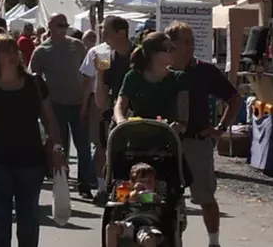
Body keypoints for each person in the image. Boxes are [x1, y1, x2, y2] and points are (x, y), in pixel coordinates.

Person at [0, 34, 66, 247]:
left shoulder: (35, 84)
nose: (12, 55)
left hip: (31, 160)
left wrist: (56, 148)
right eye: (6, 51)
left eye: (14, 50)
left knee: (28, 218)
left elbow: (50, 120)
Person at [166, 21, 243, 247]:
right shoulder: (162, 70)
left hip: (197, 142)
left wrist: (221, 128)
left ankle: (214, 242)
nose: (190, 46)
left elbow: (235, 99)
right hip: (167, 141)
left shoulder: (204, 70)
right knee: (166, 196)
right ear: (172, 44)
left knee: (205, 197)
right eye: (185, 42)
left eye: (193, 41)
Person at [28, 14, 96, 199]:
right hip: (56, 106)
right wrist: (42, 106)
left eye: (66, 25)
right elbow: (33, 78)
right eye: (60, 25)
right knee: (60, 147)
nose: (64, 28)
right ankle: (62, 184)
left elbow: (88, 73)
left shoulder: (77, 45)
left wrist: (86, 100)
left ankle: (84, 185)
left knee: (83, 148)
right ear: (50, 25)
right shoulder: (42, 50)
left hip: (78, 103)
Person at [81, 16, 134, 204]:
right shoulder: (105, 56)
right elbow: (102, 102)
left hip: (137, 115)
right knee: (105, 150)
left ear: (121, 33)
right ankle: (105, 190)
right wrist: (100, 74)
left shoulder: (139, 55)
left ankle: (128, 195)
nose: (102, 35)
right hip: (113, 115)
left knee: (130, 156)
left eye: (106, 31)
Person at [113, 32, 187, 129]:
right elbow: (119, 106)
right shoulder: (133, 76)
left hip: (167, 136)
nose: (174, 53)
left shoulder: (179, 78)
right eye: (169, 49)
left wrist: (179, 125)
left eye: (174, 48)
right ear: (153, 54)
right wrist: (121, 121)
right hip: (137, 133)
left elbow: (183, 116)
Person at [105, 163, 165, 247]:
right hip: (129, 224)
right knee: (110, 228)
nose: (145, 184)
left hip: (148, 225)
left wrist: (147, 197)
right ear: (132, 184)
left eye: (149, 182)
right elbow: (123, 199)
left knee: (149, 239)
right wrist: (135, 193)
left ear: (155, 183)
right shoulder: (127, 192)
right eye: (141, 181)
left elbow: (159, 201)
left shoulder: (155, 195)